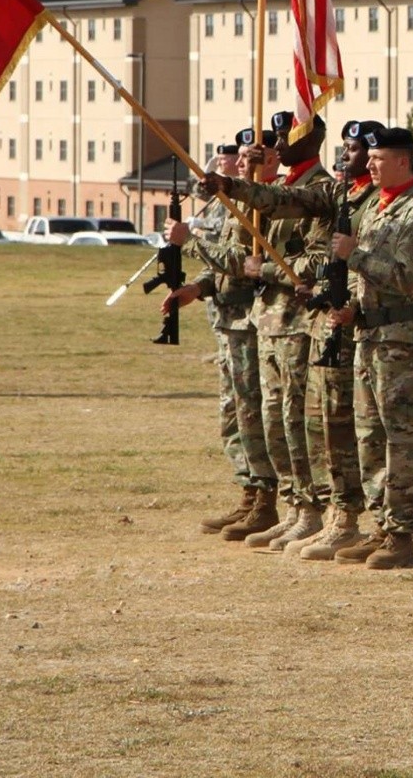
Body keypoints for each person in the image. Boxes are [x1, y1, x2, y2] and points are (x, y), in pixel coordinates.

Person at [207, 125, 413, 568]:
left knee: (402, 443)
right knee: (370, 440)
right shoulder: (374, 206)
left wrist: (352, 254)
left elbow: (408, 277)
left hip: (404, 343)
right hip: (368, 334)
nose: (369, 164)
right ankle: (379, 527)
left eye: (377, 158)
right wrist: (233, 186)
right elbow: (291, 203)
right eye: (366, 157)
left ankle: (400, 535)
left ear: (402, 162)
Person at [165, 136, 277, 540]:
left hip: (253, 322)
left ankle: (265, 499)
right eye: (243, 158)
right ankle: (249, 492)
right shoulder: (232, 204)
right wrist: (197, 288)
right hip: (229, 320)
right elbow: (225, 264)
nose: (245, 164)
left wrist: (189, 243)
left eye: (254, 158)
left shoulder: (269, 204)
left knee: (252, 413)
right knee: (233, 415)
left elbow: (247, 263)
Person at [242, 116, 337, 553]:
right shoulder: (280, 184)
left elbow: (317, 260)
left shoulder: (321, 189)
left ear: (312, 139)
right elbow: (250, 237)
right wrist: (246, 179)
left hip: (299, 320)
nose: (278, 142)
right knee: (274, 419)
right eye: (278, 136)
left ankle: (312, 509)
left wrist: (271, 271)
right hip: (269, 320)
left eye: (287, 136)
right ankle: (292, 505)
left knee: (297, 421)